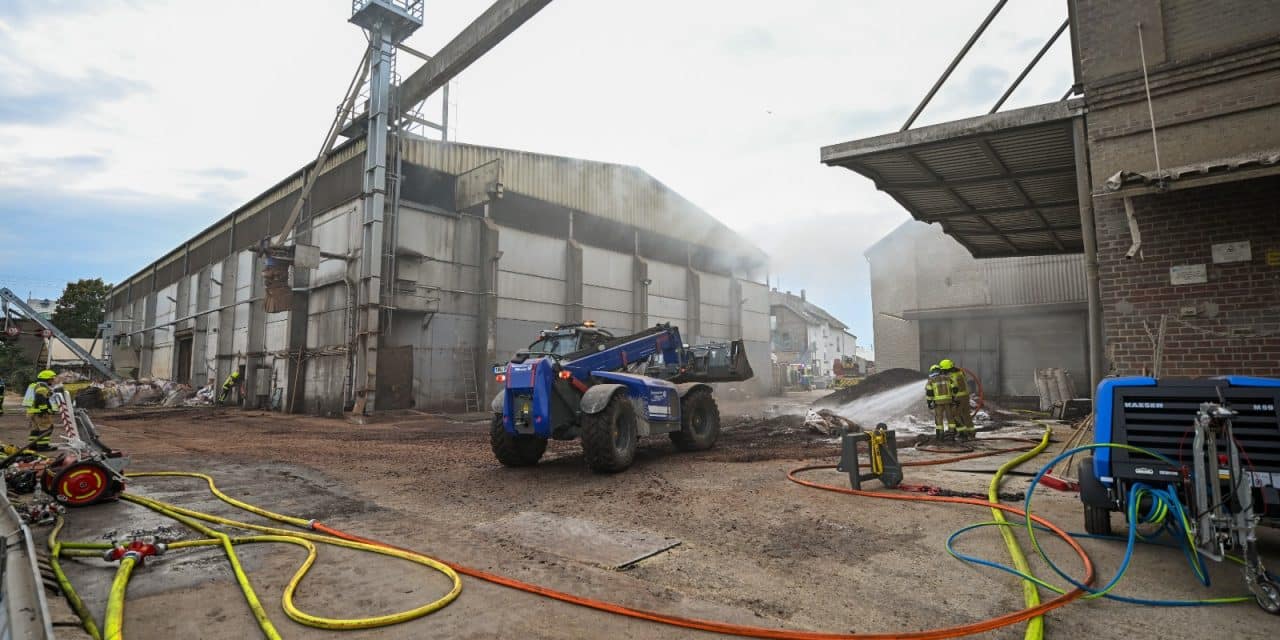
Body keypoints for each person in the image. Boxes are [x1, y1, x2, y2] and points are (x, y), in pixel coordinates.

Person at [22, 370, 59, 451]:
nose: (53, 381)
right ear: (47, 379)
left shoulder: (36, 385)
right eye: (52, 379)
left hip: (32, 412)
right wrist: (44, 410)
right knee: (46, 429)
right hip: (40, 413)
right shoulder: (42, 387)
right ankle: (43, 446)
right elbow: (40, 399)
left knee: (35, 430)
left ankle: (33, 446)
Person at [940, 359, 975, 441]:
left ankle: (962, 433)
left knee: (954, 414)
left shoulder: (952, 376)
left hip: (958, 397)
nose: (943, 372)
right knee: (966, 415)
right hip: (965, 396)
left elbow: (952, 388)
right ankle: (971, 432)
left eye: (944, 370)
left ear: (947, 369)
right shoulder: (960, 373)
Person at [924, 363, 957, 442]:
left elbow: (929, 393)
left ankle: (940, 435)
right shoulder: (948, 378)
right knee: (950, 418)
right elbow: (955, 388)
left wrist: (929, 402)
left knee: (939, 418)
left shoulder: (931, 380)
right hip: (948, 401)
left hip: (938, 403)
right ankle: (952, 434)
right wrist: (952, 397)